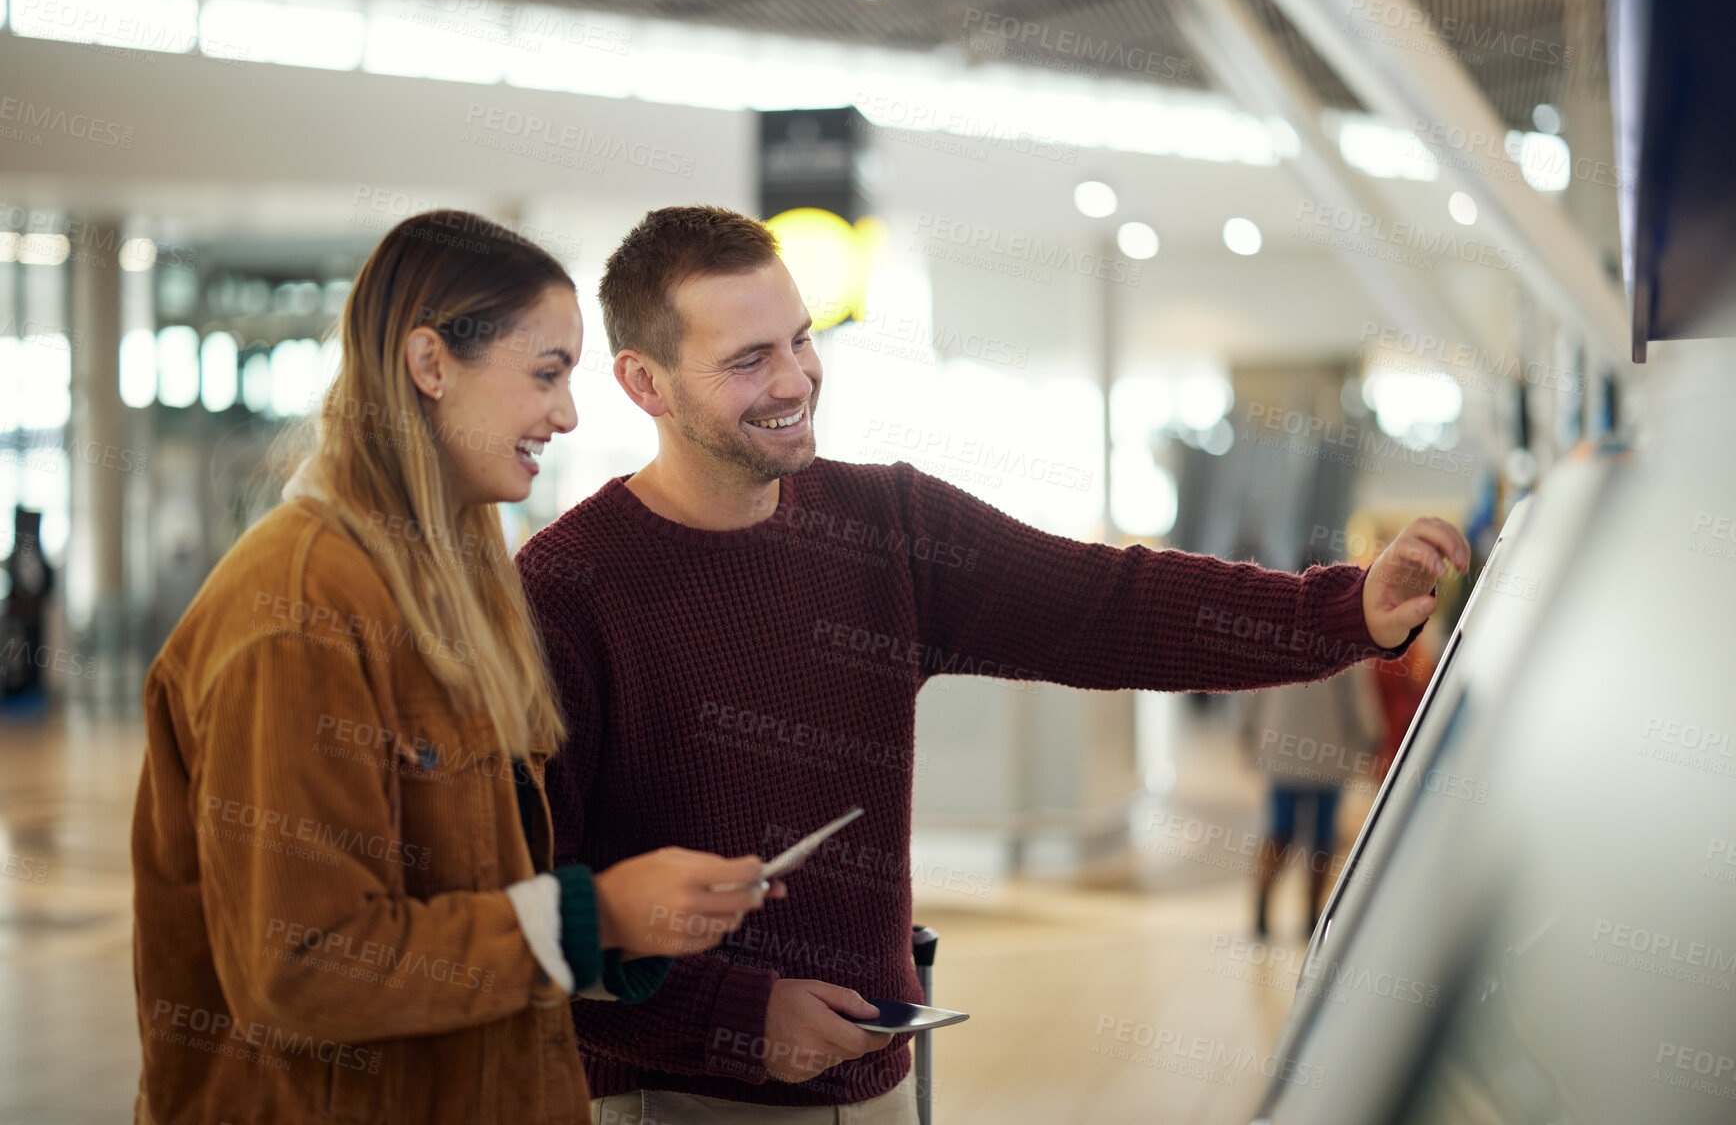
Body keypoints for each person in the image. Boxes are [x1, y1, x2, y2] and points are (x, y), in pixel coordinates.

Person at [515, 206, 1471, 1124]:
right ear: (644, 382)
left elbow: (1110, 602)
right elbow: (528, 921)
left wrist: (1344, 611)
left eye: (802, 340)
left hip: (880, 1083)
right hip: (676, 1100)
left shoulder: (887, 524)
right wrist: (735, 1018)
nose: (795, 380)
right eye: (747, 359)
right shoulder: (565, 590)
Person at [131, 211, 778, 1125]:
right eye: (546, 373)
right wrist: (594, 917)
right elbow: (301, 966)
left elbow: (463, 892)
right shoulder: (298, 610)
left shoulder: (446, 588)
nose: (567, 412)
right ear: (431, 364)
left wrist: (628, 926)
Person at [1240, 661, 1384, 938]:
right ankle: (1311, 917)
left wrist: (1248, 732)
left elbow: (1253, 689)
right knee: (1322, 837)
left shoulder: (1276, 633)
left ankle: (1262, 909)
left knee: (1279, 831)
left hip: (1282, 748)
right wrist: (1369, 739)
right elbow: (1357, 698)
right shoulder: (1345, 641)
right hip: (1328, 752)